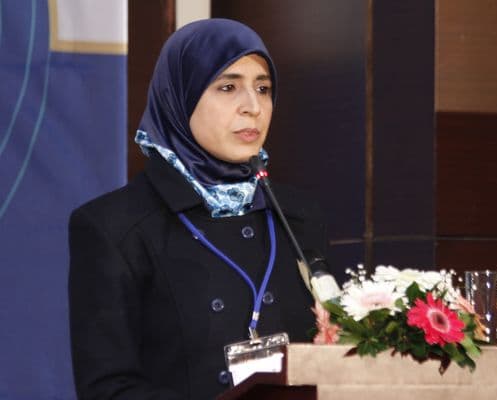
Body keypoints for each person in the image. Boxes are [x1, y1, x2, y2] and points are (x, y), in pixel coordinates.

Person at [68, 19, 328, 400]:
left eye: (263, 88)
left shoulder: (299, 217)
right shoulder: (113, 227)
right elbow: (108, 390)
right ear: (180, 96)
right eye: (228, 87)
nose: (253, 107)